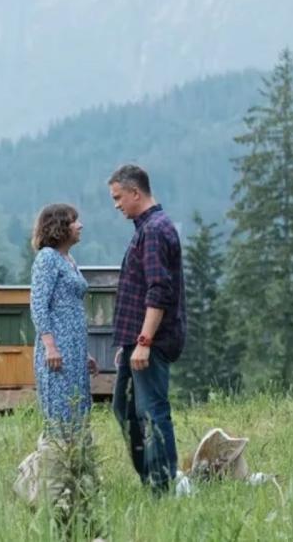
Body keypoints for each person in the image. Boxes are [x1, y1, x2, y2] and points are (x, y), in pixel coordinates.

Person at [108, 164, 186, 494]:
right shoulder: (145, 228)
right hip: (135, 340)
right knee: (124, 408)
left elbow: (158, 290)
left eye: (118, 197)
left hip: (151, 340)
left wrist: (143, 341)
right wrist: (127, 343)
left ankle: (163, 486)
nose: (116, 205)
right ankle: (151, 479)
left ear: (135, 193)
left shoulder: (154, 230)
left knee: (152, 412)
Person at [29, 203, 98, 437]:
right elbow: (39, 304)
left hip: (74, 349)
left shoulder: (68, 258)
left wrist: (83, 352)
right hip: (56, 349)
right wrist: (50, 346)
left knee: (78, 411)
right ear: (59, 227)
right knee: (61, 415)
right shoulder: (47, 258)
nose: (80, 225)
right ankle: (53, 466)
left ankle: (76, 467)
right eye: (74, 221)